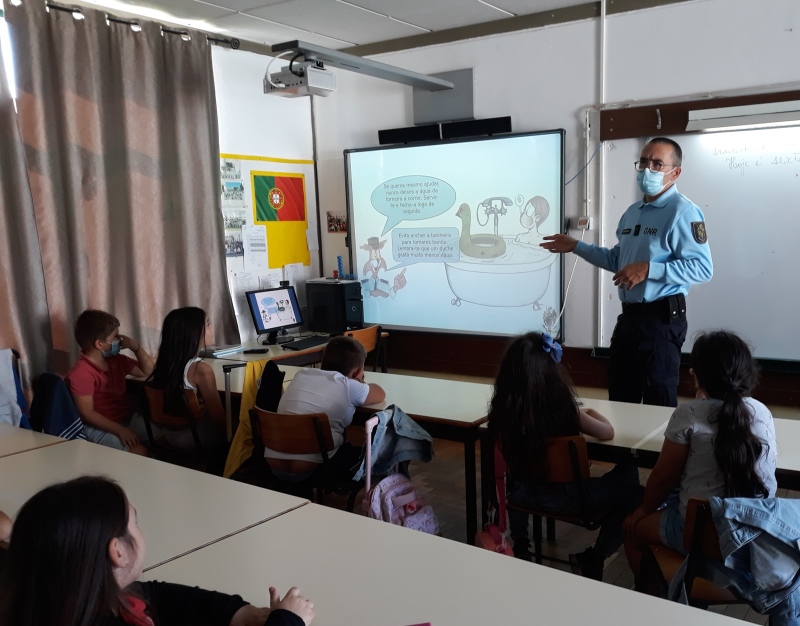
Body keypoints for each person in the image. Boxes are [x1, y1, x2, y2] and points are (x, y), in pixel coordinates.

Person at [0, 476, 313, 626]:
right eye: (134, 522)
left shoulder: (50, 598)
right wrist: (288, 621)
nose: (141, 530)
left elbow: (154, 594)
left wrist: (240, 613)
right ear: (118, 552)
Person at [541, 137, 713, 407]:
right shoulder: (633, 213)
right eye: (643, 162)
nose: (647, 169)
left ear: (675, 172)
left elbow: (703, 268)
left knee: (658, 402)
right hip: (630, 320)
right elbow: (617, 260)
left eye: (657, 164)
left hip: (661, 321)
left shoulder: (683, 212)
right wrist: (576, 246)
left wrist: (649, 269)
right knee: (620, 398)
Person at [487, 332, 643, 580]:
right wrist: (589, 411)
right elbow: (607, 432)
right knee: (640, 496)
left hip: (518, 495)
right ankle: (594, 556)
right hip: (565, 498)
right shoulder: (563, 408)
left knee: (520, 476)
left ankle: (522, 546)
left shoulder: (502, 411)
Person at [622, 330, 777, 580]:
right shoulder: (762, 412)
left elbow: (663, 479)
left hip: (699, 533)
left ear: (696, 373)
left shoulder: (688, 414)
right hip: (755, 534)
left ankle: (655, 594)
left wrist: (642, 510)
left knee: (632, 531)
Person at [267, 336, 385, 482]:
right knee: (379, 454)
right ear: (356, 373)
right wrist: (360, 382)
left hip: (273, 465)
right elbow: (380, 393)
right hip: (317, 469)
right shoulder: (347, 385)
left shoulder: (301, 375)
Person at [66, 310, 155, 455]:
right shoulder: (81, 373)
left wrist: (135, 347)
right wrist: (120, 430)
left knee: (163, 439)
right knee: (140, 452)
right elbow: (87, 413)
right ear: (99, 344)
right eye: (115, 337)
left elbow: (148, 370)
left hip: (127, 419)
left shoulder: (117, 360)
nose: (120, 340)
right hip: (99, 426)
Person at [146, 307, 226, 453]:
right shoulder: (201, 369)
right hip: (197, 438)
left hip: (171, 436)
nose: (212, 328)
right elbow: (219, 418)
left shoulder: (165, 364)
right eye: (208, 324)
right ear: (194, 333)